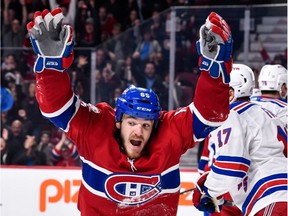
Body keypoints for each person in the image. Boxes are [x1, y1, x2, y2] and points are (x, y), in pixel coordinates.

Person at [27, 9, 233, 215]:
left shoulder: (169, 133)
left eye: (146, 125)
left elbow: (208, 116)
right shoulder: (96, 128)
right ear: (118, 121)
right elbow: (57, 109)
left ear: (155, 124)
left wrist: (214, 70)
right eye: (132, 123)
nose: (138, 132)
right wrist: (51, 68)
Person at [193, 64, 288, 216]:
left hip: (270, 197)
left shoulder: (231, 116)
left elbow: (232, 166)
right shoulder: (266, 114)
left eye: (218, 91)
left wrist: (208, 191)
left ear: (231, 93)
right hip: (277, 194)